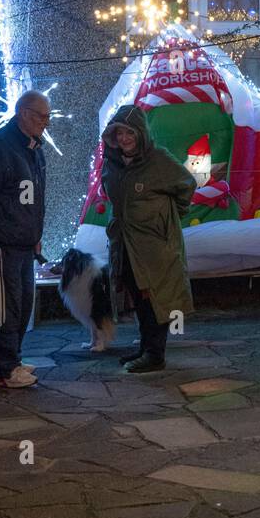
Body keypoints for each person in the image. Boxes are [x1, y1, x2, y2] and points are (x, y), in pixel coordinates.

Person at [101, 104, 196, 373]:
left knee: (155, 296)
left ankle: (155, 354)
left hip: (154, 245)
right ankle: (145, 347)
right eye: (119, 133)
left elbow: (186, 186)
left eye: (129, 133)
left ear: (140, 133)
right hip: (126, 244)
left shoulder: (159, 161)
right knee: (137, 294)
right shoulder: (113, 165)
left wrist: (166, 217)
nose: (124, 139)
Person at [0, 91, 50, 389]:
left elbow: (35, 198)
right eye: (42, 116)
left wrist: (36, 236)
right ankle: (5, 367)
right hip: (2, 244)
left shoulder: (34, 150)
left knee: (23, 304)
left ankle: (7, 358)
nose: (47, 123)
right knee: (7, 306)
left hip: (24, 243)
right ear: (24, 114)